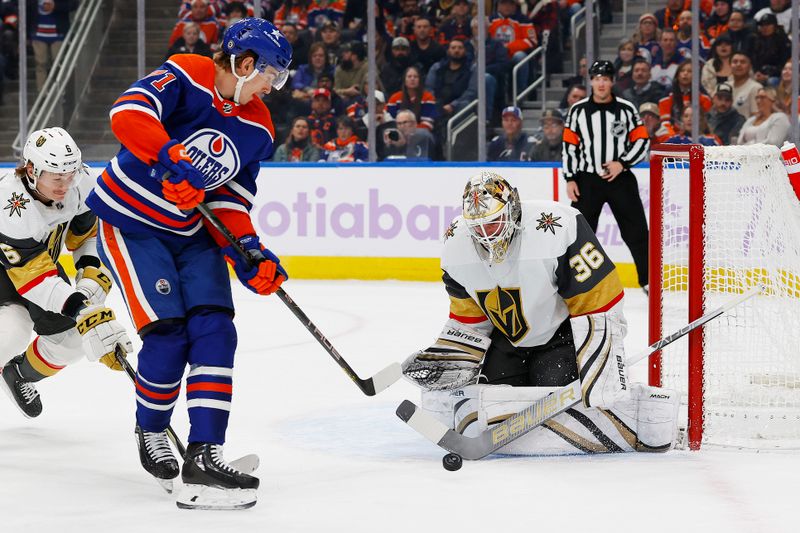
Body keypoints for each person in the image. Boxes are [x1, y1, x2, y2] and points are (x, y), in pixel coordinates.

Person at [84, 18, 292, 510]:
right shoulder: (186, 71)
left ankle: (205, 452)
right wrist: (169, 157)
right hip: (130, 221)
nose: (272, 87)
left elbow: (231, 200)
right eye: (270, 75)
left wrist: (249, 250)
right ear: (244, 64)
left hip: (192, 234)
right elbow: (128, 112)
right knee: (169, 333)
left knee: (217, 331)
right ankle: (152, 430)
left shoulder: (259, 127)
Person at [401, 172, 679, 456]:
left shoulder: (557, 226)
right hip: (508, 339)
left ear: (513, 208)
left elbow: (599, 299)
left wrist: (602, 363)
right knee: (492, 400)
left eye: (494, 222)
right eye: (479, 226)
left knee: (555, 395)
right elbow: (469, 317)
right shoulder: (455, 245)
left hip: (562, 334)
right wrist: (452, 355)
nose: (487, 234)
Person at [0, 127, 132, 418]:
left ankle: (18, 375)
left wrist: (89, 277)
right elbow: (33, 280)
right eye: (56, 177)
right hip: (8, 273)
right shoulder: (10, 204)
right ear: (32, 170)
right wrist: (82, 310)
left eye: (69, 174)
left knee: (72, 342)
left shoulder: (80, 183)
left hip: (38, 266)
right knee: (12, 331)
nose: (65, 184)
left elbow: (88, 236)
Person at [562, 60, 650, 292]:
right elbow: (569, 146)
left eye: (605, 79)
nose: (601, 83)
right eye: (597, 78)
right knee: (578, 233)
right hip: (587, 180)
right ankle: (575, 283)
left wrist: (622, 163)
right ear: (591, 81)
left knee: (637, 231)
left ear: (612, 81)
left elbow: (642, 140)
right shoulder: (578, 110)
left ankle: (648, 280)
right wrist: (570, 178)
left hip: (620, 179)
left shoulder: (626, 109)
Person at [387, 65, 437, 131]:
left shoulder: (428, 97)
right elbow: (390, 120)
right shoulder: (395, 98)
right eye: (409, 76)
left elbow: (428, 124)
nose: (412, 79)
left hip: (420, 132)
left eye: (415, 77)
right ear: (404, 80)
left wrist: (411, 131)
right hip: (399, 132)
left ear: (420, 80)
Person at [730, 51, 761, 119]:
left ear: (750, 67)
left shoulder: (756, 88)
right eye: (735, 62)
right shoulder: (724, 86)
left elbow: (757, 117)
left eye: (743, 62)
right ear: (730, 65)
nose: (738, 65)